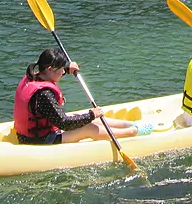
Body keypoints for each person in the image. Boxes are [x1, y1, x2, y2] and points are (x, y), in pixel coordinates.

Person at [13, 48, 152, 144]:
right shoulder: (44, 94)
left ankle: (130, 124)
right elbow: (64, 123)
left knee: (85, 118)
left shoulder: (33, 77)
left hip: (33, 133)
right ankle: (133, 131)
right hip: (40, 140)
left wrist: (67, 69)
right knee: (89, 127)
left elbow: (52, 74)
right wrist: (91, 115)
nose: (63, 72)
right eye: (61, 69)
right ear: (50, 69)